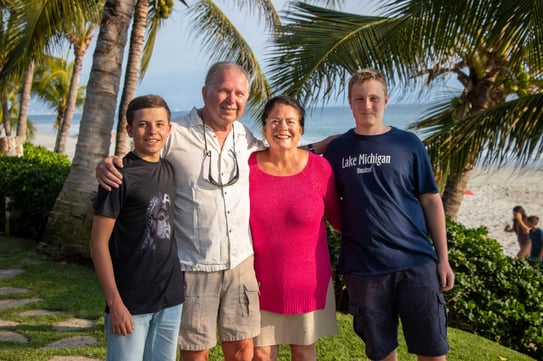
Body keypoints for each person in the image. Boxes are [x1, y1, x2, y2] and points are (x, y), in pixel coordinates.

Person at [95, 62, 333, 361]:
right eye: (223, 90)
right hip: (194, 265)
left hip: (240, 264)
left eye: (239, 93)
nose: (231, 99)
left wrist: (322, 145)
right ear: (205, 92)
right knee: (196, 353)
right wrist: (109, 162)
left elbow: (280, 149)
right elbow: (143, 152)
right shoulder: (176, 133)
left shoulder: (245, 137)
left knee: (244, 350)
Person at [323, 69, 455, 361]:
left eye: (373, 98)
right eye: (359, 99)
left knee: (433, 352)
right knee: (383, 354)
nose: (366, 105)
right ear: (349, 102)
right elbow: (298, 167)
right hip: (364, 268)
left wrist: (443, 258)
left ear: (386, 100)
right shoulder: (337, 149)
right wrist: (316, 146)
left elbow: (431, 199)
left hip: (417, 264)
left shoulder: (408, 143)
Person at [89, 94, 184, 361]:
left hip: (170, 299)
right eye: (143, 125)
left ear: (168, 128)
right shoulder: (119, 176)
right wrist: (115, 304)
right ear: (130, 130)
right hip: (131, 303)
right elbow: (98, 244)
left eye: (159, 124)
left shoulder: (169, 169)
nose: (152, 131)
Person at [249, 95, 341, 361]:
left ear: (301, 129)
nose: (282, 127)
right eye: (274, 121)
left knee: (303, 353)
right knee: (261, 356)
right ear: (264, 127)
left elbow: (339, 218)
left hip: (308, 282)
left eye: (290, 121)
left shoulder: (320, 168)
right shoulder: (247, 166)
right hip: (258, 283)